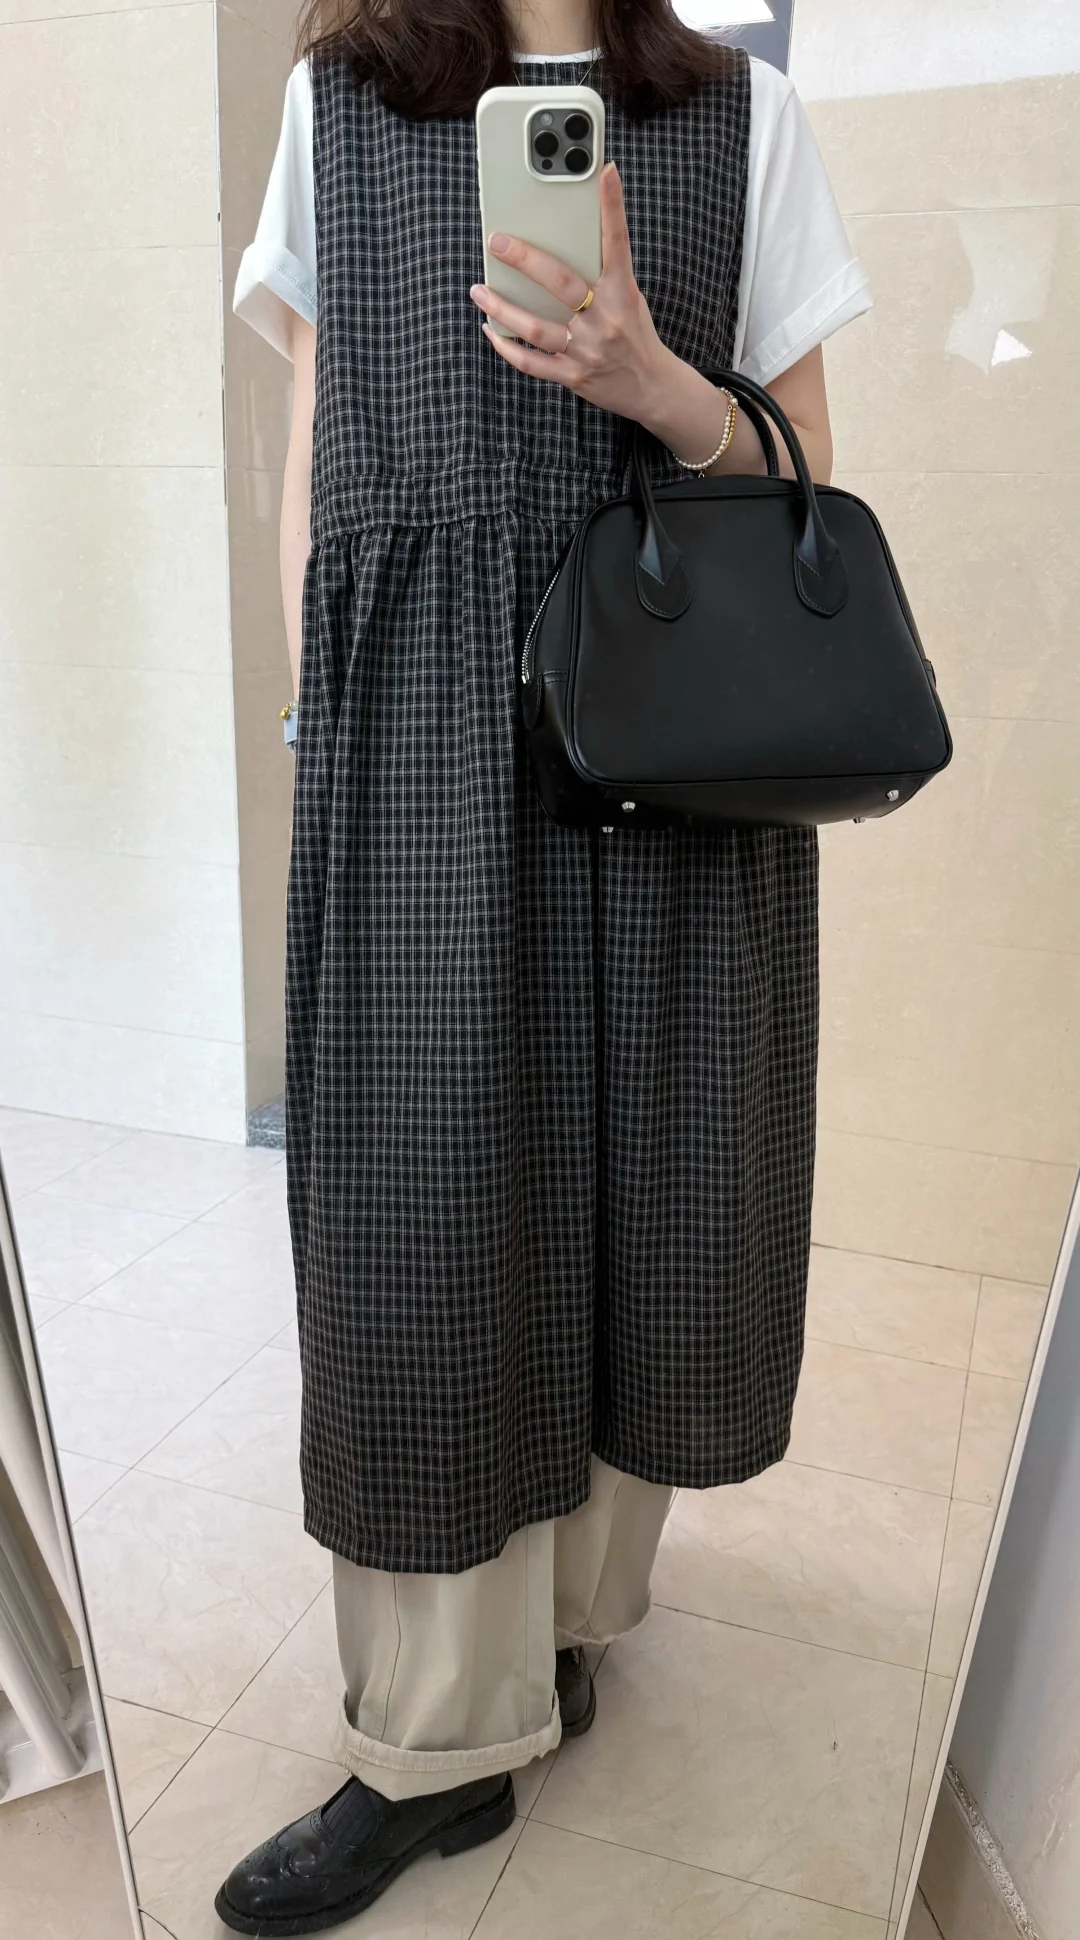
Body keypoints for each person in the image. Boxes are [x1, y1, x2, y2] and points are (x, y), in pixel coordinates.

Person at [222, 0, 871, 1929]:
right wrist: (323, 720)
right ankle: (434, 1747)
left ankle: (567, 1633)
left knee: (655, 1194)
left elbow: (804, 467)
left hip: (672, 728)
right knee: (426, 1226)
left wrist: (654, 380)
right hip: (418, 734)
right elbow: (318, 434)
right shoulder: (342, 106)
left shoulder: (741, 119)